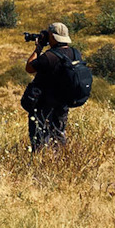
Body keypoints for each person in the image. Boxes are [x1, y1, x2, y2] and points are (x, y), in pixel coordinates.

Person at [24, 22, 76, 151]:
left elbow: (29, 67)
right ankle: (60, 162)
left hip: (43, 103)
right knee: (59, 134)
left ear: (52, 36)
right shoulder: (74, 53)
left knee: (39, 136)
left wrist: (38, 48)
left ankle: (41, 162)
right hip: (63, 102)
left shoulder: (49, 56)